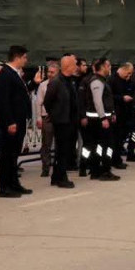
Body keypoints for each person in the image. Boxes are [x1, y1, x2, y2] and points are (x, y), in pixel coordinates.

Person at [0, 46, 39, 197]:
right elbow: (4, 100)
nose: (26, 60)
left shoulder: (14, 73)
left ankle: (14, 184)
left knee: (14, 154)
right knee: (7, 155)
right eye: (24, 57)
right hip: (12, 121)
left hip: (19, 120)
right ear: (17, 57)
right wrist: (10, 121)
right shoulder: (6, 74)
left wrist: (34, 83)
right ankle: (4, 187)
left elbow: (21, 93)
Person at [80, 58, 120, 181]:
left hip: (100, 118)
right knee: (107, 145)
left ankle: (96, 170)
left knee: (98, 146)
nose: (110, 68)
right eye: (108, 65)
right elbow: (97, 101)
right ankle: (105, 170)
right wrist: (103, 118)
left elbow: (106, 100)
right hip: (99, 120)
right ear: (102, 67)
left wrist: (112, 113)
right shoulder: (97, 81)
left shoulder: (101, 80)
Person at [44, 55, 80, 189]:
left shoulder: (70, 81)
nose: (76, 67)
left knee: (64, 150)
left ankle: (56, 176)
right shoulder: (56, 82)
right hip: (61, 121)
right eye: (75, 64)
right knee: (63, 150)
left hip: (70, 120)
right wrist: (54, 114)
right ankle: (62, 178)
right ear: (68, 66)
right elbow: (47, 101)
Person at [108, 63, 134, 169]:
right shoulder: (112, 80)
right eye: (128, 73)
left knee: (121, 138)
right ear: (123, 69)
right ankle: (113, 160)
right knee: (115, 139)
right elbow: (109, 96)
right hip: (115, 113)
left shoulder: (126, 81)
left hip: (125, 113)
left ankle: (117, 158)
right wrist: (122, 98)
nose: (129, 76)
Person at [36, 63, 60, 177]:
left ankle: (58, 166)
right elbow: (38, 103)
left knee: (60, 143)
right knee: (46, 144)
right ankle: (45, 167)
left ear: (58, 73)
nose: (49, 74)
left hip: (59, 117)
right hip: (46, 117)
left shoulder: (61, 85)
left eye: (52, 72)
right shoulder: (43, 85)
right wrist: (38, 117)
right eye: (48, 72)